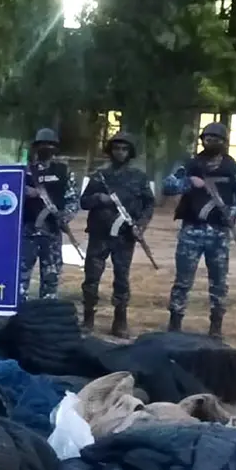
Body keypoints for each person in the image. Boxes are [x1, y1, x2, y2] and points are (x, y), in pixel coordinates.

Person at [161, 121, 236, 338]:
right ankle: (175, 322)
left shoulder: (234, 169)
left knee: (219, 282)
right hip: (191, 230)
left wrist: (235, 211)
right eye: (207, 138)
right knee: (183, 281)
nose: (211, 142)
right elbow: (168, 186)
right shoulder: (190, 165)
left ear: (224, 142)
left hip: (219, 233)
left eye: (216, 139)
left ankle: (216, 326)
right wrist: (189, 182)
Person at [79, 132, 155, 338]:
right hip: (99, 234)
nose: (120, 152)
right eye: (116, 148)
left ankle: (120, 320)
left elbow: (149, 204)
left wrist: (141, 225)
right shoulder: (99, 176)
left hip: (124, 236)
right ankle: (88, 318)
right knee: (91, 277)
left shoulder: (138, 177)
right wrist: (98, 198)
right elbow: (83, 202)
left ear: (130, 152)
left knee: (121, 278)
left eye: (124, 149)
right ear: (110, 151)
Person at [20, 128, 78, 301]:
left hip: (52, 233)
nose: (46, 148)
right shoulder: (25, 172)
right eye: (42, 144)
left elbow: (73, 200)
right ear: (36, 147)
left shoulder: (64, 171)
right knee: (20, 280)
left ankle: (46, 313)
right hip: (28, 232)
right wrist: (23, 191)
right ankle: (19, 314)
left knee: (51, 280)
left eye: (50, 145)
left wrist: (64, 217)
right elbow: (8, 195)